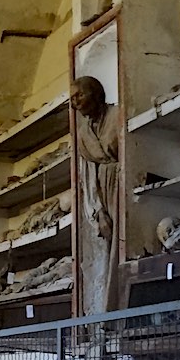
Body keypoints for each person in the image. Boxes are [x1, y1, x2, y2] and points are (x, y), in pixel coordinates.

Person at [70, 75, 119, 312]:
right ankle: (109, 312)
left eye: (80, 94)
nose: (75, 102)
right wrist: (97, 211)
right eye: (72, 98)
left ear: (96, 93)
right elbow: (88, 174)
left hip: (121, 182)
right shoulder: (82, 134)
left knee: (126, 244)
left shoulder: (118, 116)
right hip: (102, 191)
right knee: (108, 253)